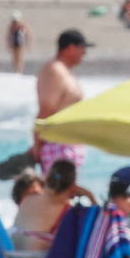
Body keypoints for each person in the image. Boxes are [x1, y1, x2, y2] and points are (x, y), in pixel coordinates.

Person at [35, 29, 91, 173]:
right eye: (82, 49)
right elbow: (46, 110)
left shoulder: (64, 71)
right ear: (71, 48)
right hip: (58, 145)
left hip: (67, 144)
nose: (84, 53)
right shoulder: (54, 70)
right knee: (58, 194)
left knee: (66, 194)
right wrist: (37, 146)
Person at [11, 158, 94, 257]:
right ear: (73, 185)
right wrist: (90, 196)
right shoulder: (67, 211)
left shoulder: (28, 200)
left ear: (47, 178)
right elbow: (95, 230)